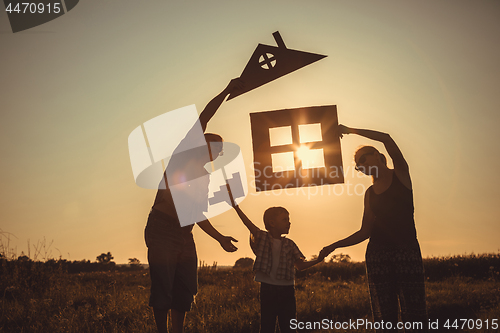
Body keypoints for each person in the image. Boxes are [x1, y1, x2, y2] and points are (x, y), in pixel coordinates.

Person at [145, 78, 244, 333]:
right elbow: (205, 116)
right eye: (218, 149)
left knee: (185, 287)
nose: (219, 154)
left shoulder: (204, 176)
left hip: (184, 234)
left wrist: (220, 238)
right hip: (162, 228)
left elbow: (197, 214)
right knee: (163, 286)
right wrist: (227, 90)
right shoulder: (182, 157)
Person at [320, 125, 428, 333]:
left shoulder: (401, 175)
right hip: (378, 256)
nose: (360, 165)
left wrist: (349, 130)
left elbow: (386, 138)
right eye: (358, 165)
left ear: (378, 156)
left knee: (414, 313)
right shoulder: (369, 193)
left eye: (362, 159)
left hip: (407, 251)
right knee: (385, 318)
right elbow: (364, 232)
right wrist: (334, 245)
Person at [233, 204, 324, 333]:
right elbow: (248, 224)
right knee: (267, 326)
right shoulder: (263, 237)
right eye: (285, 219)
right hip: (267, 288)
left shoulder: (290, 244)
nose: (289, 223)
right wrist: (236, 207)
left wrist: (318, 260)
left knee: (289, 327)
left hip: (287, 290)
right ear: (272, 223)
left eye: (289, 219)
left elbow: (300, 266)